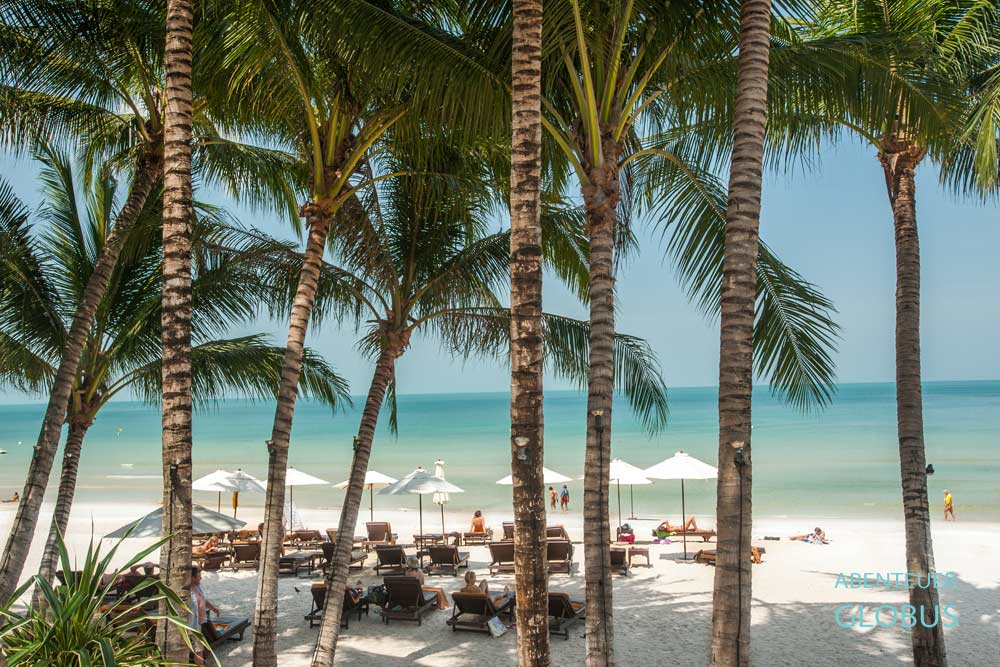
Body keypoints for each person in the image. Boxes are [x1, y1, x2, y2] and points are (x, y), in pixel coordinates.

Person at [190, 566, 220, 666]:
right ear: (192, 578)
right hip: (191, 625)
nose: (201, 579)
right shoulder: (187, 592)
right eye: (199, 577)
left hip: (200, 623)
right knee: (198, 650)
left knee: (201, 649)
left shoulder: (198, 586)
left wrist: (213, 608)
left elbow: (203, 600)